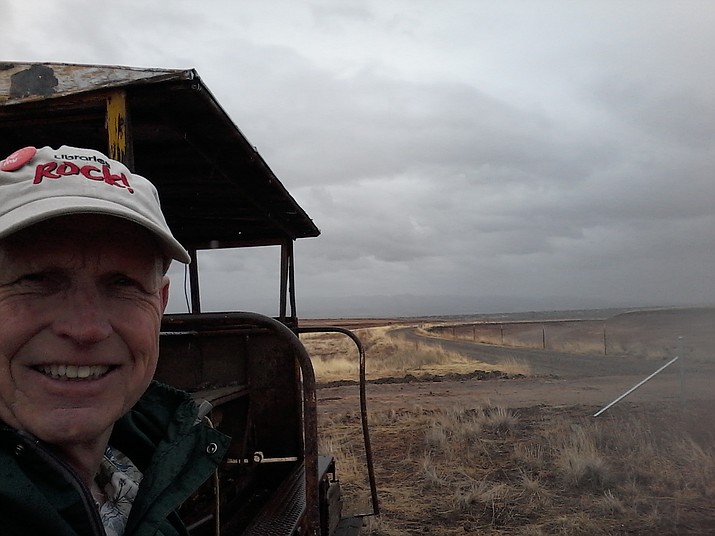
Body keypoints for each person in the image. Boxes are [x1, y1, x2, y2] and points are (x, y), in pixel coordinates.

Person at [0, 145, 230, 536]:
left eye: (123, 284)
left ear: (160, 304)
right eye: (36, 280)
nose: (86, 329)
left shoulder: (142, 469)